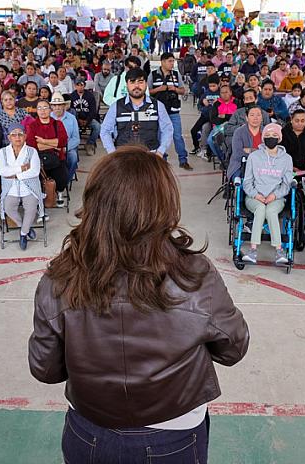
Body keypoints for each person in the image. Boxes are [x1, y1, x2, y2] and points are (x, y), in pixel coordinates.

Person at [29, 146, 248, 463]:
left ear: (94, 202)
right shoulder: (194, 274)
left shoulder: (61, 275)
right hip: (175, 432)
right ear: (163, 204)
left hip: (89, 430)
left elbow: (45, 368)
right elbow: (233, 348)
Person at [240, 123, 294, 265]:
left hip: (276, 197)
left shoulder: (286, 159)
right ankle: (253, 250)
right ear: (263, 138)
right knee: (260, 209)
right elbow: (247, 181)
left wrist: (274, 196)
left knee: (270, 211)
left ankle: (279, 250)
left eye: (275, 136)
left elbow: (286, 184)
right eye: (268, 136)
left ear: (280, 138)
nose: (271, 138)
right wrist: (256, 195)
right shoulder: (254, 156)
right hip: (254, 196)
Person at [100, 67, 173, 157]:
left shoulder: (158, 106)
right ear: (126, 84)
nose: (136, 86)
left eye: (140, 82)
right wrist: (112, 153)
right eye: (132, 82)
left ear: (146, 84)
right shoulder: (116, 106)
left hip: (151, 156)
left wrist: (160, 152)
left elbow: (167, 129)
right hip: (123, 157)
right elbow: (105, 131)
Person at [0, 123, 43, 250]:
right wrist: (22, 168)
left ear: (25, 136)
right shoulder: (3, 152)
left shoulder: (31, 151)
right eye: (14, 135)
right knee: (8, 207)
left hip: (29, 187)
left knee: (31, 208)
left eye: (20, 134)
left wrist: (14, 174)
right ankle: (25, 227)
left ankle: (23, 234)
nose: (17, 137)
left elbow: (35, 171)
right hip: (10, 188)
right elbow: (2, 171)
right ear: (9, 138)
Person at [149, 52, 191, 170]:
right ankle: (162, 160)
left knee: (177, 135)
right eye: (170, 61)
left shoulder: (176, 75)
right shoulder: (153, 75)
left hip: (173, 110)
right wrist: (159, 89)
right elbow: (147, 91)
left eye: (173, 61)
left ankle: (183, 160)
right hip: (158, 111)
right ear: (162, 62)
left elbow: (183, 91)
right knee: (159, 135)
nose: (172, 63)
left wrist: (175, 89)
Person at [27, 99, 69, 207]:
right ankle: (41, 197)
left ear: (50, 110)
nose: (42, 110)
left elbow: (63, 141)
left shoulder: (57, 124)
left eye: (45, 107)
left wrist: (43, 141)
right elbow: (32, 145)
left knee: (62, 175)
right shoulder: (32, 125)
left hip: (56, 157)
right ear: (36, 111)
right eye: (39, 108)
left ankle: (59, 193)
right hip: (39, 158)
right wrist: (54, 144)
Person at [50, 93, 80, 183]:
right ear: (51, 106)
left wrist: (65, 148)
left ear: (64, 106)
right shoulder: (48, 117)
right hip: (51, 148)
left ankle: (65, 182)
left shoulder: (72, 118)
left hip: (68, 147)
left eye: (59, 105)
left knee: (73, 158)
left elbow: (76, 138)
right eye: (54, 105)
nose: (57, 108)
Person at [228, 105, 264, 180]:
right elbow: (238, 154)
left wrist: (249, 150)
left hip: (262, 166)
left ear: (262, 118)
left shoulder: (266, 132)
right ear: (247, 118)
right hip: (240, 165)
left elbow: (270, 152)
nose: (255, 118)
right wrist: (258, 152)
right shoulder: (239, 132)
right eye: (252, 115)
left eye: (258, 115)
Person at [68, 78, 100, 156]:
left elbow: (93, 110)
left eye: (81, 85)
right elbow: (70, 110)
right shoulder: (72, 96)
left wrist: (87, 120)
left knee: (97, 126)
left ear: (84, 86)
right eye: (78, 85)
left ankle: (90, 144)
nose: (80, 87)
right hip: (76, 120)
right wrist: (77, 120)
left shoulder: (90, 96)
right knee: (71, 127)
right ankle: (74, 144)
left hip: (88, 119)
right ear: (75, 86)